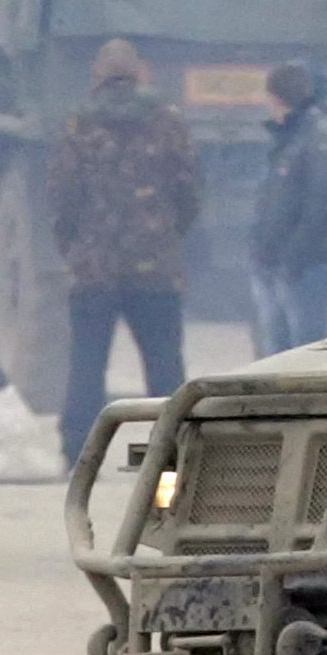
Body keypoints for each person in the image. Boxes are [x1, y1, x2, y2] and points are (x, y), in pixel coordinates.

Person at [45, 39, 199, 467]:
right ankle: (173, 453)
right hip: (157, 267)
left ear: (97, 75)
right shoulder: (169, 121)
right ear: (141, 73)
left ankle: (77, 451)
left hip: (94, 268)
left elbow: (62, 196)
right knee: (165, 363)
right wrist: (168, 236)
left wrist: (73, 247)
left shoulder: (77, 124)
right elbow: (189, 191)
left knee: (87, 363)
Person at [247, 61, 327, 355]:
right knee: (274, 359)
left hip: (307, 271)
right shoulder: (288, 139)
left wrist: (293, 259)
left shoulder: (321, 141)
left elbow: (323, 208)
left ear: (275, 96)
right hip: (277, 267)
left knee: (308, 359)